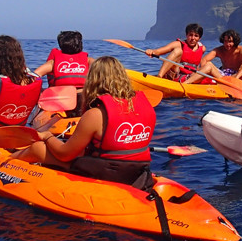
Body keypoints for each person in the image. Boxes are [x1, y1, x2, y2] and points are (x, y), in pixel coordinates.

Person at [21, 56, 155, 187]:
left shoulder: (95, 114)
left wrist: (47, 136)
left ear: (93, 81)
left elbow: (65, 154)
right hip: (137, 172)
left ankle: (4, 164)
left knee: (38, 149)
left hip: (106, 173)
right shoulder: (147, 107)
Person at [33, 30, 88, 115]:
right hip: (83, 99)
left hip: (61, 100)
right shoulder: (89, 61)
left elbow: (33, 76)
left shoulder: (53, 63)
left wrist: (42, 92)